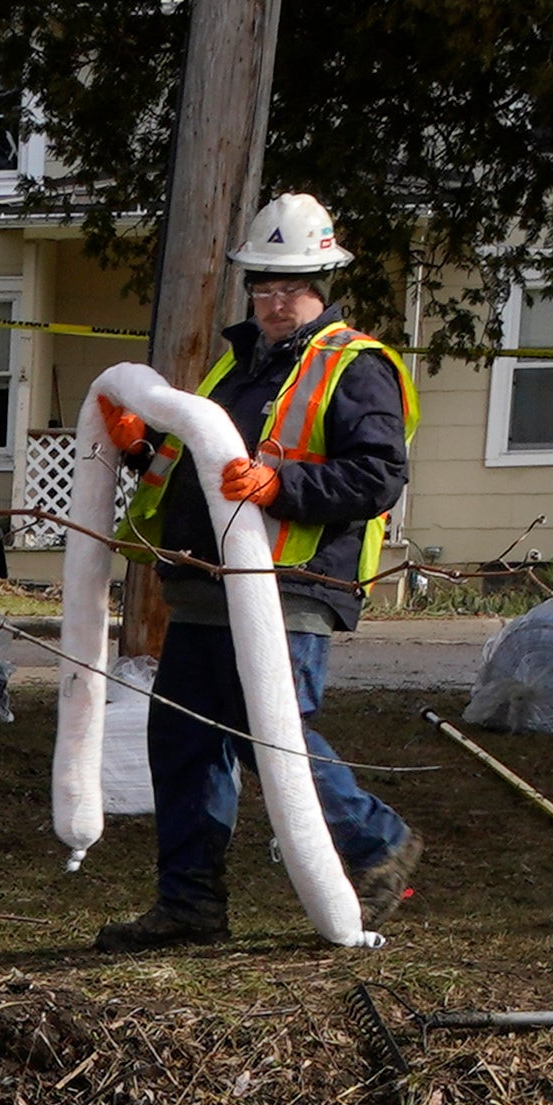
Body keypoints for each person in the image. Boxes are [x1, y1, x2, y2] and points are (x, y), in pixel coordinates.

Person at [95, 193, 421, 951]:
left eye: (291, 287)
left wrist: (284, 489)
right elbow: (190, 472)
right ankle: (189, 905)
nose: (275, 302)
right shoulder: (233, 370)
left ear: (322, 285)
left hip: (293, 585)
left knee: (267, 733)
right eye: (263, 286)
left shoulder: (353, 367)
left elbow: (376, 477)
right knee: (183, 742)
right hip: (208, 586)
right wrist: (141, 447)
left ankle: (376, 846)